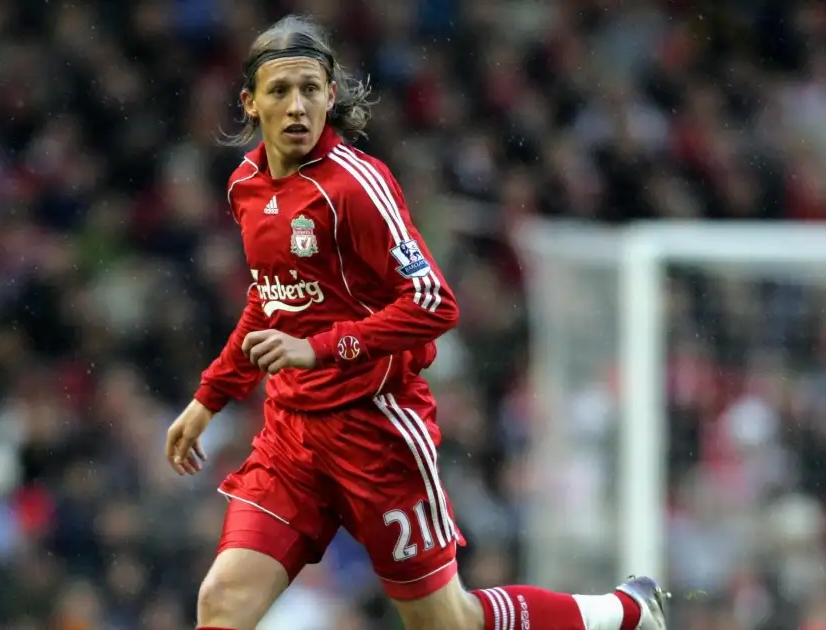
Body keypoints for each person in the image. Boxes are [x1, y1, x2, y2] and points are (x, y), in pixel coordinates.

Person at [164, 15, 670, 630]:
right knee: (219, 604)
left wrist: (317, 350)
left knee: (446, 622)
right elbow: (271, 300)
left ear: (329, 94)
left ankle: (624, 612)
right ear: (251, 101)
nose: (296, 106)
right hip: (291, 437)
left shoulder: (356, 186)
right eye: (279, 91)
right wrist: (209, 398)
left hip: (375, 431)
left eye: (310, 89)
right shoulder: (246, 184)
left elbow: (435, 303)